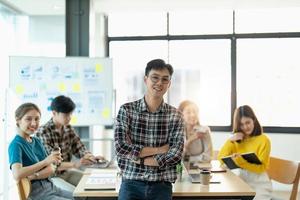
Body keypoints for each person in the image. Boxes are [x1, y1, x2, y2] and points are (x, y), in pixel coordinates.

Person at [114, 59, 184, 200]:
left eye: (165, 79)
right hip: (131, 183)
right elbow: (121, 148)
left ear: (169, 84)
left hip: (161, 185)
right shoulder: (126, 110)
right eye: (155, 78)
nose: (159, 83)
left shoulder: (175, 115)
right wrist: (160, 150)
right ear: (146, 80)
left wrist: (137, 159)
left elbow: (175, 154)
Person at [36, 95, 104, 191]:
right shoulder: (43, 132)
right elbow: (52, 163)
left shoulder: (68, 128)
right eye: (66, 115)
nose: (69, 118)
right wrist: (75, 164)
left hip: (67, 172)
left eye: (71, 114)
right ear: (54, 113)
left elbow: (79, 148)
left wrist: (90, 157)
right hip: (51, 177)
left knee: (92, 184)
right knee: (76, 194)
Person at [8, 103, 74, 200]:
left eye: (37, 119)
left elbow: (51, 169)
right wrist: (45, 162)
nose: (34, 123)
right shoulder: (16, 144)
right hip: (37, 194)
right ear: (18, 120)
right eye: (28, 119)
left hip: (52, 188)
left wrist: (34, 176)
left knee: (82, 197)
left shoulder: (37, 141)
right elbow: (17, 174)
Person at [218, 105, 272, 200]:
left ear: (254, 120)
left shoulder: (264, 140)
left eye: (248, 122)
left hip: (259, 184)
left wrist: (241, 162)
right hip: (241, 182)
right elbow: (221, 159)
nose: (245, 127)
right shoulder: (237, 140)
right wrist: (230, 141)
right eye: (241, 125)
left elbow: (262, 167)